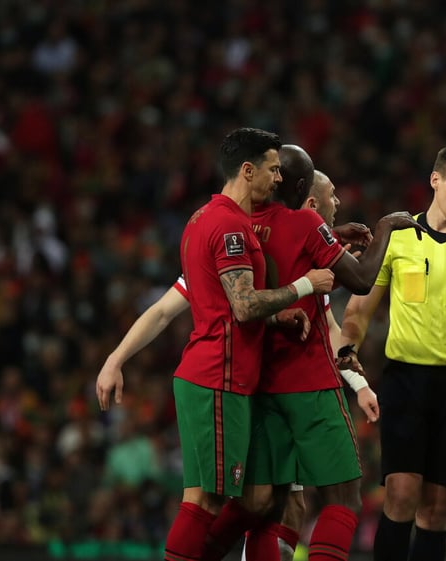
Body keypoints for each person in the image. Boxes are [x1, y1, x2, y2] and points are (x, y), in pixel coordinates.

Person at [96, 149, 386, 561]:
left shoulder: (243, 234)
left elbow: (167, 308)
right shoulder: (264, 238)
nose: (336, 204)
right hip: (280, 384)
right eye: (330, 197)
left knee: (262, 505)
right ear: (309, 201)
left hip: (254, 391)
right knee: (261, 502)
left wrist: (115, 358)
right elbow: (335, 289)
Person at [162, 127, 334, 561]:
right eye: (274, 169)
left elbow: (226, 303)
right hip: (219, 374)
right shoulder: (230, 226)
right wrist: (302, 287)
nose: (279, 179)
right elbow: (241, 305)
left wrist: (277, 313)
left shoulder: (205, 217)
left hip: (216, 373)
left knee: (243, 501)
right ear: (247, 169)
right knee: (205, 502)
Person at [339, 143, 446, 561]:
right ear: (435, 180)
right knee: (400, 493)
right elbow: (360, 308)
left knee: (437, 509)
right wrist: (348, 355)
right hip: (406, 379)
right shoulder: (397, 237)